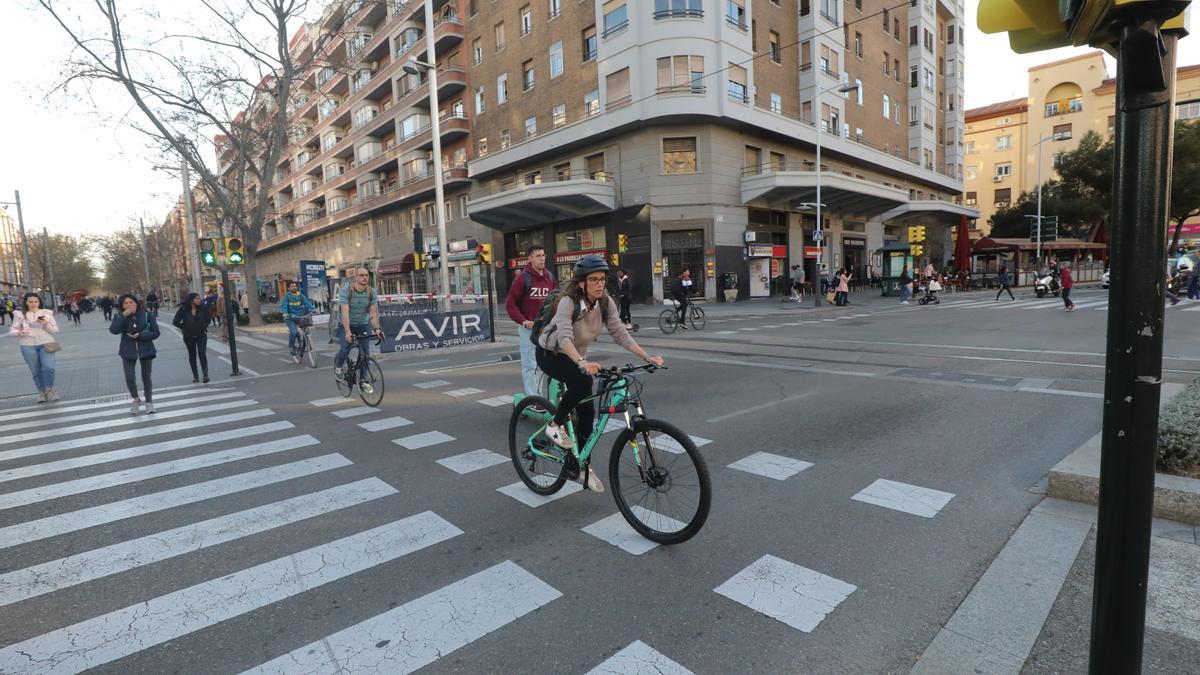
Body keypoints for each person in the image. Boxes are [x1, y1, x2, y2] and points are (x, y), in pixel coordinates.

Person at [536, 255, 665, 493]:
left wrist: (646, 357)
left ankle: (581, 466)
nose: (599, 284)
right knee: (583, 379)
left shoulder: (605, 302)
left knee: (587, 412)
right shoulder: (568, 301)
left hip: (576, 356)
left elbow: (620, 333)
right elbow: (564, 336)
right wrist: (582, 362)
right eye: (593, 279)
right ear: (582, 283)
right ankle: (554, 425)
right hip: (551, 354)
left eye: (602, 279)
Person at [504, 245, 557, 398]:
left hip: (545, 328)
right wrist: (523, 320)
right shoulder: (523, 278)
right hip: (529, 329)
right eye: (538, 256)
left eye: (543, 255)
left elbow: (555, 299)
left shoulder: (549, 277)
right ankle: (532, 398)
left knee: (542, 364)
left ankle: (539, 395)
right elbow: (510, 304)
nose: (542, 258)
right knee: (529, 365)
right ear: (530, 258)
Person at [110, 294, 159, 415]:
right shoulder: (119, 316)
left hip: (146, 349)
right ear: (122, 306)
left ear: (136, 303)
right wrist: (123, 316)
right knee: (129, 377)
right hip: (128, 351)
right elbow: (113, 330)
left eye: (131, 302)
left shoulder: (147, 314)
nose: (129, 305)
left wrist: (140, 336)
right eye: (125, 303)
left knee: (146, 377)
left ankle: (149, 403)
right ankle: (136, 399)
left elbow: (156, 332)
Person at [335, 268, 385, 379]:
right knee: (345, 347)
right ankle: (338, 365)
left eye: (366, 275)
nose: (364, 277)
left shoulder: (371, 292)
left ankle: (363, 380)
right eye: (361, 275)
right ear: (356, 277)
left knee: (365, 354)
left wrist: (377, 329)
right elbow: (345, 313)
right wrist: (348, 332)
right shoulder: (346, 291)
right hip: (346, 323)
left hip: (362, 323)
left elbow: (372, 313)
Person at [10, 292, 60, 403]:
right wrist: (19, 332)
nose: (33, 304)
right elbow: (12, 330)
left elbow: (55, 330)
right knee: (35, 371)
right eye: (31, 301)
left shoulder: (46, 313)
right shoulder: (20, 315)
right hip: (27, 346)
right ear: (26, 302)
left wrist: (46, 324)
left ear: (39, 302)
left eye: (36, 301)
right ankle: (41, 392)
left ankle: (50, 389)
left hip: (46, 343)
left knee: (49, 367)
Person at [173, 292, 211, 383]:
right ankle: (195, 376)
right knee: (192, 355)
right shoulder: (183, 310)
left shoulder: (203, 308)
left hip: (201, 335)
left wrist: (203, 327)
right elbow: (175, 322)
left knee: (202, 354)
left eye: (199, 298)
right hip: (189, 336)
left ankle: (205, 375)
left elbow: (208, 320)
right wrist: (185, 327)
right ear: (191, 300)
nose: (199, 300)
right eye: (197, 298)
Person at [281, 281, 316, 354]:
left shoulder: (301, 295)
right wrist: (285, 313)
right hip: (290, 317)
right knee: (293, 332)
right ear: (288, 288)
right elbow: (284, 306)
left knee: (306, 330)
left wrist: (313, 309)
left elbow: (307, 303)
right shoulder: (286, 296)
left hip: (300, 316)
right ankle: (292, 346)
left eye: (295, 286)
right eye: (292, 286)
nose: (294, 287)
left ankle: (304, 343)